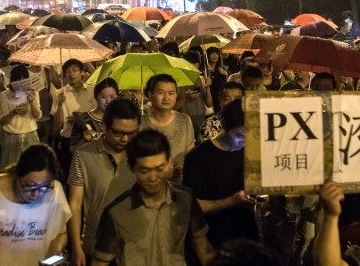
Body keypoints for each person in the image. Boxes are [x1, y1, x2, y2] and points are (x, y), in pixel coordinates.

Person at [92, 129, 215, 266]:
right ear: (132, 168)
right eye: (144, 171)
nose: (153, 178)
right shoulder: (116, 212)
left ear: (169, 163)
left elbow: (203, 248)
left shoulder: (185, 198)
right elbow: (100, 261)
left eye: (159, 168)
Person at [68, 97, 140, 266]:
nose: (125, 139)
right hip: (95, 244)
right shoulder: (84, 155)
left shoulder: (141, 153)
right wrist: (76, 246)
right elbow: (75, 203)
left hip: (135, 246)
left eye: (131, 133)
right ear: (104, 126)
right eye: (118, 133)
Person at [183, 99, 259, 248]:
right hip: (213, 237)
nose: (246, 142)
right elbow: (191, 206)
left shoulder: (252, 152)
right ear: (224, 126)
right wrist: (232, 201)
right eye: (241, 136)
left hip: (247, 234)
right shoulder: (198, 158)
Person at [139, 74, 194, 182]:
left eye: (171, 93)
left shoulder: (184, 120)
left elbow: (190, 155)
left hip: (179, 185)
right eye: (161, 93)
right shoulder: (140, 123)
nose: (166, 98)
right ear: (150, 94)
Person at [51, 59, 96, 183]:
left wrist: (82, 119)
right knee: (70, 176)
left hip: (89, 138)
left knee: (89, 175)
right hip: (68, 138)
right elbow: (57, 125)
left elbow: (97, 115)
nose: (71, 74)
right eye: (67, 71)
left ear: (82, 72)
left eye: (75, 70)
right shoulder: (59, 93)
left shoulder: (92, 91)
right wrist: (60, 105)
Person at [0, 64, 42, 168]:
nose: (21, 84)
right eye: (18, 80)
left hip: (30, 136)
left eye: (24, 80)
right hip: (11, 137)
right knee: (11, 170)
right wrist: (14, 112)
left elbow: (38, 115)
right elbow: (1, 121)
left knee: (32, 168)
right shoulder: (4, 95)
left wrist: (31, 103)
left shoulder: (33, 93)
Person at [70, 78, 119, 150]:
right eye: (103, 97)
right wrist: (84, 140)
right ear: (96, 97)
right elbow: (73, 150)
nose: (108, 101)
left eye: (112, 97)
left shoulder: (122, 118)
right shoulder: (83, 119)